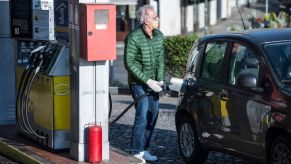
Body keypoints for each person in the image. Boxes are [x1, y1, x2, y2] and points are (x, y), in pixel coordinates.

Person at [124, 5, 164, 163]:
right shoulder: (134, 37)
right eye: (155, 18)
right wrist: (146, 80)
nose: (157, 20)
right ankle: (134, 151)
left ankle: (144, 149)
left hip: (154, 83)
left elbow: (160, 59)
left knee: (153, 115)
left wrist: (159, 79)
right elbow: (129, 63)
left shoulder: (159, 36)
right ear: (146, 20)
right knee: (142, 114)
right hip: (138, 83)